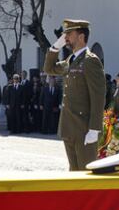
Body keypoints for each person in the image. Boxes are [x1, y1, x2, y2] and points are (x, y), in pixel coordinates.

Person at [44, 19, 106, 171]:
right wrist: (54, 48)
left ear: (81, 36)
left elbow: (98, 96)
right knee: (74, 172)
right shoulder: (70, 60)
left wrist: (94, 129)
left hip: (84, 128)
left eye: (69, 34)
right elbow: (49, 69)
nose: (66, 38)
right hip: (69, 126)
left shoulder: (90, 61)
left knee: (86, 173)